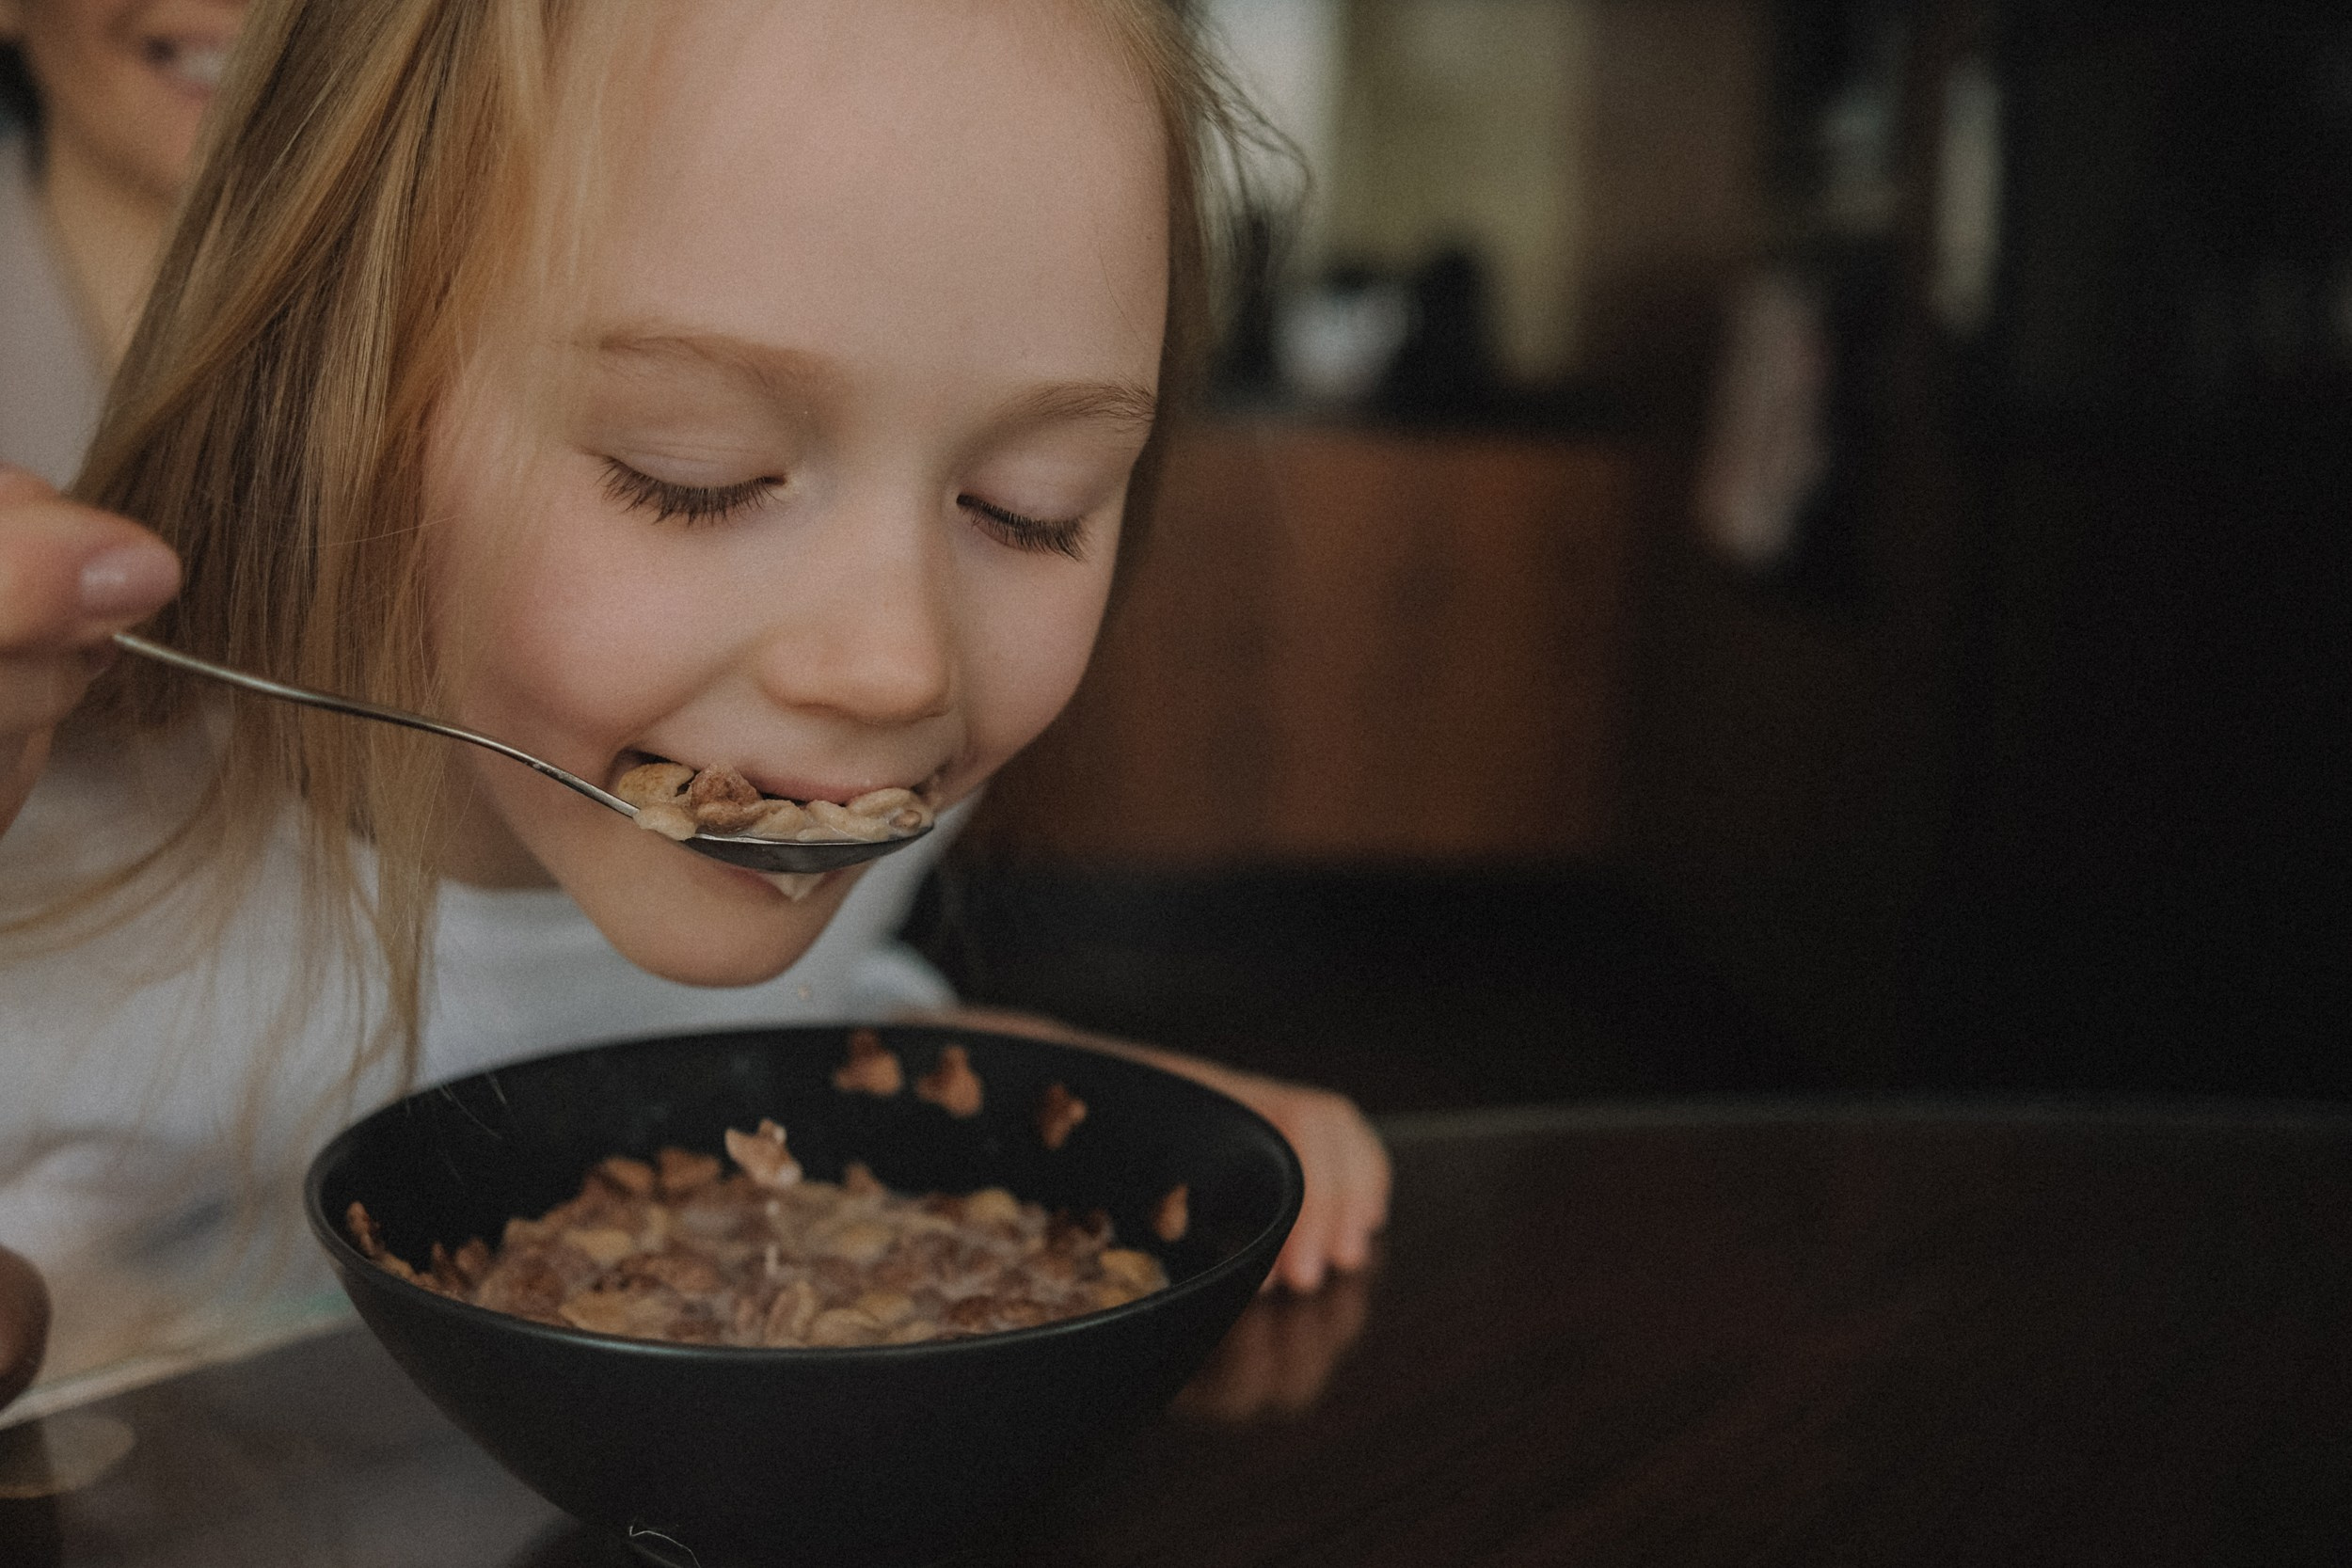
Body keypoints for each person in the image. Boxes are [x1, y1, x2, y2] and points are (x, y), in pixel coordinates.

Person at [0, 0, 1389, 1418]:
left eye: (1029, 513)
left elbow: (797, 1029)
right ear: (327, 399)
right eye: (693, 475)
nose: (895, 668)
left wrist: (1059, 1092)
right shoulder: (44, 863)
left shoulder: (818, 813)